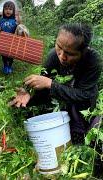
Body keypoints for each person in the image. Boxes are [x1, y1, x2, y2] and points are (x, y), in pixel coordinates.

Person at [9, 23, 102, 177]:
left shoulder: (93, 60)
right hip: (64, 109)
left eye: (70, 53)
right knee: (67, 148)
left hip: (87, 107)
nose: (62, 56)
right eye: (59, 47)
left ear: (83, 51)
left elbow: (83, 95)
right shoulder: (53, 56)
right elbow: (44, 93)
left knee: (92, 144)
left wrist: (50, 84)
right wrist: (29, 95)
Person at [0, 1, 18, 74]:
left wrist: (19, 27)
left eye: (10, 9)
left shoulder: (15, 21)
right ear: (3, 10)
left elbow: (18, 30)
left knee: (11, 55)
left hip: (12, 41)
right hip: (3, 41)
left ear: (13, 11)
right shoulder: (1, 20)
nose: (8, 11)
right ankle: (5, 65)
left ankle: (10, 66)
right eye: (6, 9)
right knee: (4, 54)